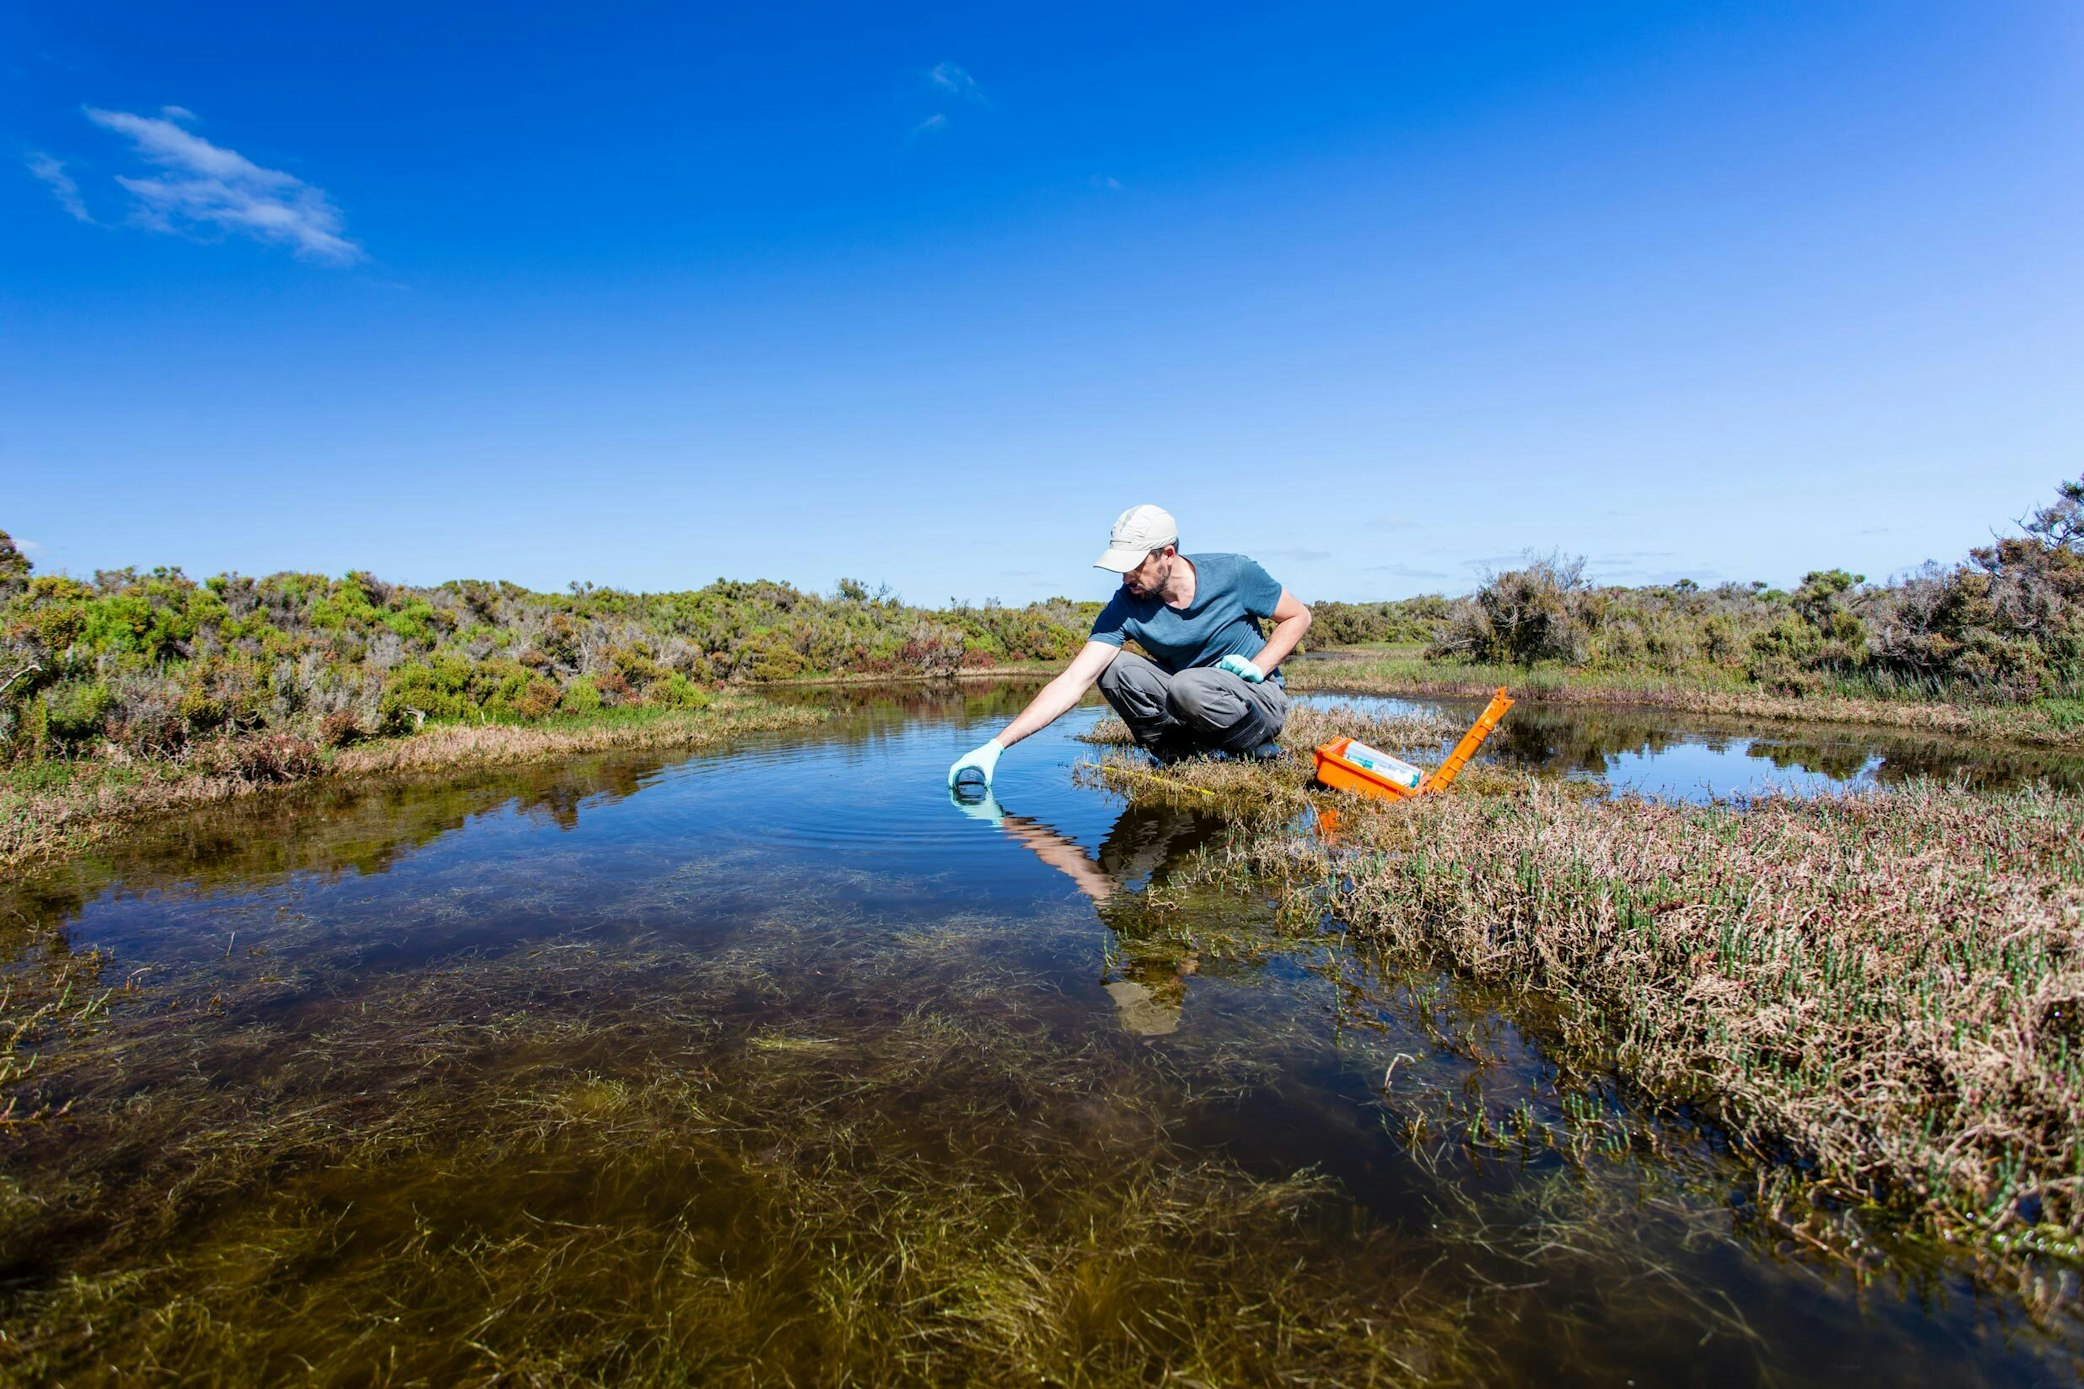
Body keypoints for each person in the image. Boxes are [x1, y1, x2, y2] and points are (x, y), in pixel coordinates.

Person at [947, 504, 1312, 787]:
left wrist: (1260, 665)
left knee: (1188, 684)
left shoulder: (1234, 572)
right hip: (1192, 697)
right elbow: (1072, 682)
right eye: (1122, 568)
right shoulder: (1125, 605)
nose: (1126, 578)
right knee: (1114, 668)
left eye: (1135, 566)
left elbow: (1298, 617)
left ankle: (1261, 751)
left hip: (1257, 698)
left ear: (1167, 555)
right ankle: (1179, 755)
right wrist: (995, 746)